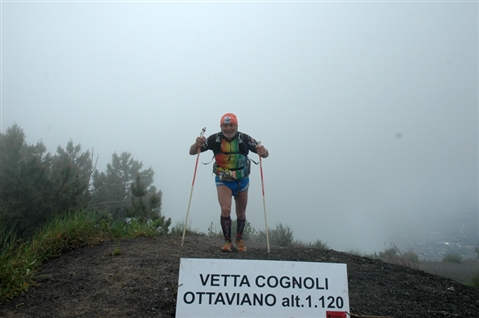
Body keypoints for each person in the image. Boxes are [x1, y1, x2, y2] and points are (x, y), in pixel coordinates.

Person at [189, 113, 269, 252]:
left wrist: (263, 151)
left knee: (241, 213)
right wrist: (197, 144)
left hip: (242, 179)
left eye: (231, 125)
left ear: (236, 126)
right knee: (225, 209)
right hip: (223, 180)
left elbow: (265, 154)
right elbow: (192, 152)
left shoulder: (245, 139)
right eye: (225, 125)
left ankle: (239, 239)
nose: (228, 128)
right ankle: (227, 242)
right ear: (221, 127)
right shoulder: (214, 139)